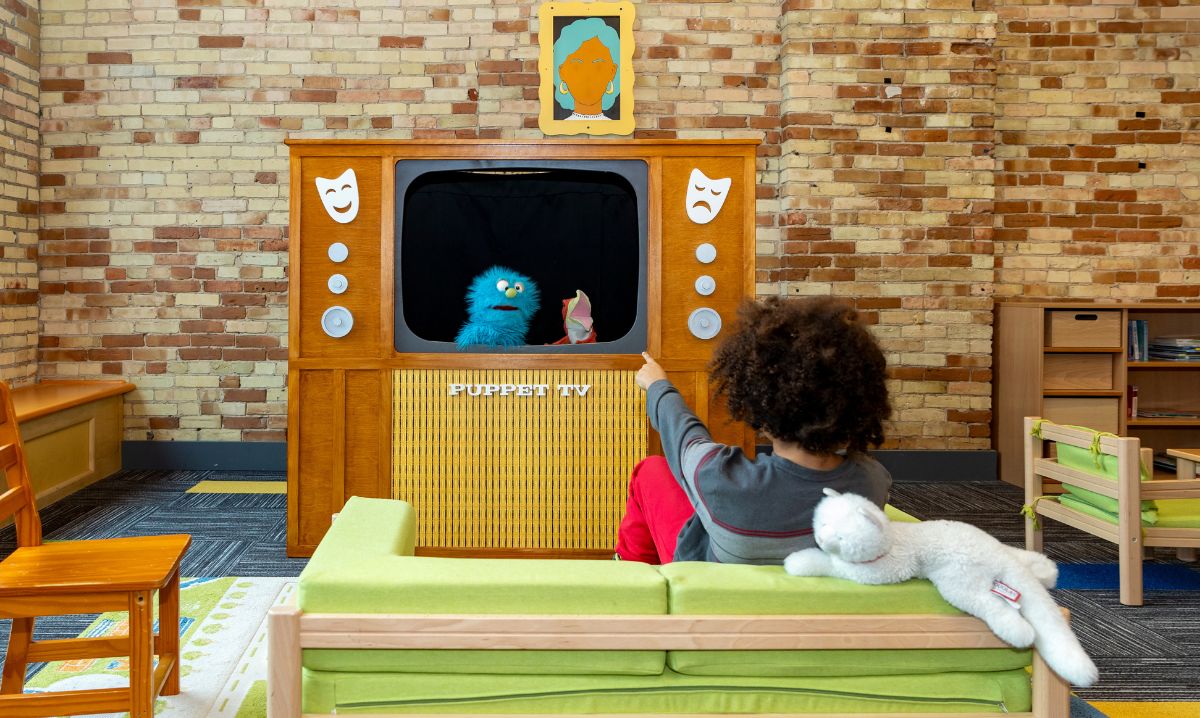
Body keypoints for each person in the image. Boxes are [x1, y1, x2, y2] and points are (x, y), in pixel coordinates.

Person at [615, 296, 893, 565]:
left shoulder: (721, 479)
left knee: (651, 471)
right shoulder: (872, 481)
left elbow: (685, 437)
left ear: (760, 404)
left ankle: (636, 584)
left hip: (708, 583)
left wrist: (657, 385)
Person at [552, 17, 621, 121]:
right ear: (562, 72)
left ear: (612, 72)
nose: (587, 76)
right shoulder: (558, 126)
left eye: (598, 66)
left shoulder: (617, 126)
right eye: (576, 66)